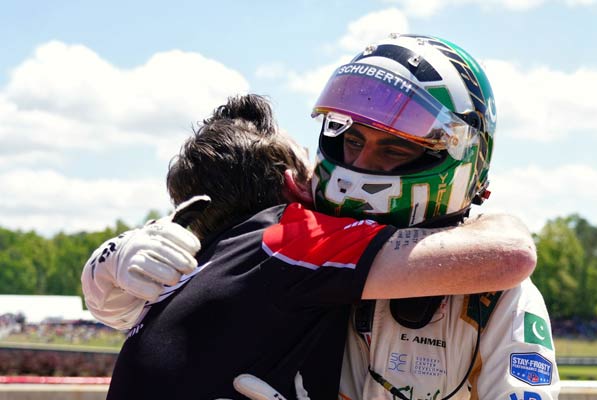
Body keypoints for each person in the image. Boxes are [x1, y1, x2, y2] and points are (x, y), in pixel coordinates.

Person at [82, 94, 536, 399]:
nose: (348, 170)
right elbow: (511, 252)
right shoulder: (291, 237)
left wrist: (110, 256)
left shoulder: (197, 257)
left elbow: (117, 310)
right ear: (292, 186)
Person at [308, 33, 560, 400]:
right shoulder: (299, 249)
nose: (360, 165)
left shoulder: (500, 293)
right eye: (353, 141)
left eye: (392, 148)